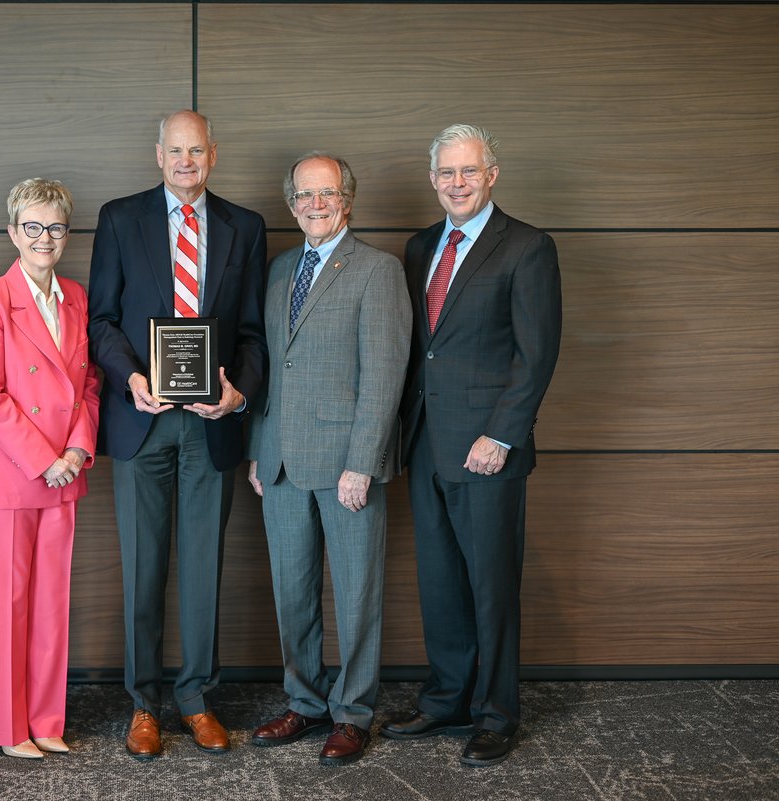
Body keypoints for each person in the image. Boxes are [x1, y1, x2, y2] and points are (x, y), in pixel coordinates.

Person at [87, 110, 267, 759]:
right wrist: (132, 378)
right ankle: (144, 703)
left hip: (211, 425)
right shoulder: (120, 218)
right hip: (143, 420)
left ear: (213, 154)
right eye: (176, 150)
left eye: (197, 150)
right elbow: (101, 320)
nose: (186, 161)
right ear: (158, 154)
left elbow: (252, 331)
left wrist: (239, 392)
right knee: (143, 568)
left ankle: (196, 698)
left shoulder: (245, 226)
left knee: (202, 567)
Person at [381, 124, 562, 767]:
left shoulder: (528, 247)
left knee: (491, 585)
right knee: (440, 582)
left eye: (468, 171)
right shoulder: (420, 246)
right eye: (446, 172)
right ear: (433, 179)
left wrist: (502, 434)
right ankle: (447, 699)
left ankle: (496, 713)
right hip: (427, 441)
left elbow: (536, 355)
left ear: (491, 175)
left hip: (488, 448)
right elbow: (420, 349)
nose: (456, 183)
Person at [246, 153, 411, 766]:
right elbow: (272, 368)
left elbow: (385, 374)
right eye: (304, 195)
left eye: (328, 193)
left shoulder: (378, 270)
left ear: (348, 200)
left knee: (357, 593)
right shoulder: (279, 269)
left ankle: (353, 713)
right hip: (281, 462)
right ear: (292, 204)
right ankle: (305, 702)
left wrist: (362, 462)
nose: (315, 205)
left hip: (347, 464)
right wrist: (259, 451)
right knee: (292, 593)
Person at [0, 178, 99, 759]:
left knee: (50, 605)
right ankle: (5, 727)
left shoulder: (76, 297)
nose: (45, 237)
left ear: (67, 233)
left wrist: (78, 451)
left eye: (56, 227)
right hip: (10, 475)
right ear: (13, 232)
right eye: (33, 227)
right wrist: (46, 460)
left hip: (65, 472)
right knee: (6, 607)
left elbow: (88, 383)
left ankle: (45, 720)